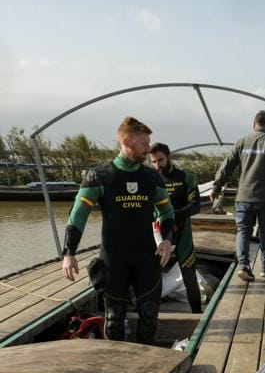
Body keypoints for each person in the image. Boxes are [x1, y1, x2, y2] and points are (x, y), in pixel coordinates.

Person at [61, 116, 174, 344]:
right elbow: (78, 215)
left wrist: (166, 241)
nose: (148, 148)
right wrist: (69, 252)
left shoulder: (152, 178)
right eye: (144, 143)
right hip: (114, 258)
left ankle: (145, 362)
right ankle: (117, 364)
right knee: (113, 318)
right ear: (127, 142)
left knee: (149, 315)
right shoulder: (99, 177)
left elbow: (167, 213)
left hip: (146, 256)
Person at [209, 110, 265, 282]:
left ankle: (244, 266)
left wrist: (216, 186)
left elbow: (227, 166)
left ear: (254, 124)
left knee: (243, 231)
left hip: (243, 198)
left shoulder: (241, 142)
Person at [149, 142, 202, 313]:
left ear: (169, 157)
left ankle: (197, 315)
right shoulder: (151, 180)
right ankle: (150, 316)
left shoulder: (187, 178)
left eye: (161, 160)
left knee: (189, 277)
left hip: (182, 235)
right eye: (154, 162)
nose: (158, 165)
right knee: (152, 277)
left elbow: (195, 206)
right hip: (159, 234)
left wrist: (171, 214)